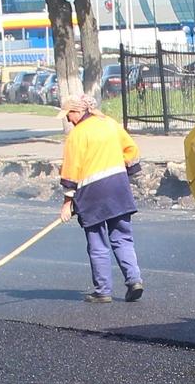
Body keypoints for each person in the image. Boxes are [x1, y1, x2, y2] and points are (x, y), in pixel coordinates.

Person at [57, 95, 142, 304]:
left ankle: (103, 291)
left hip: (92, 196)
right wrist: (122, 173)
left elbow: (71, 170)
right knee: (122, 238)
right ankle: (134, 280)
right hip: (119, 190)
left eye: (68, 116)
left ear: (76, 112)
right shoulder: (110, 124)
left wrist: (67, 203)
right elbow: (132, 150)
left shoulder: (77, 135)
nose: (68, 120)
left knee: (97, 243)